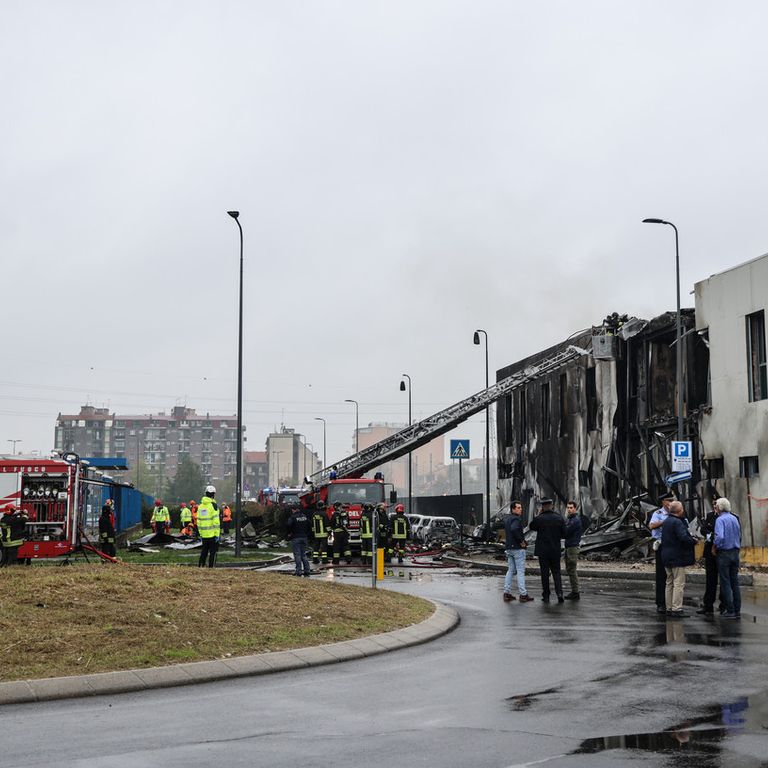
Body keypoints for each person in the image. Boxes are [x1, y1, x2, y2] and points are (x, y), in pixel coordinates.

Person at [660, 500, 697, 618]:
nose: (683, 510)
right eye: (682, 509)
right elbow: (683, 537)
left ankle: (669, 607)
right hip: (677, 556)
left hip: (666, 555)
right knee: (678, 583)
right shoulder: (677, 522)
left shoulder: (666, 521)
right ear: (679, 511)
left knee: (669, 582)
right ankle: (677, 608)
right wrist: (693, 541)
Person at [529, 498, 566, 603]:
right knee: (556, 572)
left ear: (542, 507)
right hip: (555, 550)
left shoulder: (540, 519)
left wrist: (539, 515)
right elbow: (564, 533)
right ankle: (560, 593)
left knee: (544, 574)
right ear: (552, 506)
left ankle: (546, 595)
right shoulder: (559, 518)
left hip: (543, 551)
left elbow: (532, 526)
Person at [713, 497, 741, 619]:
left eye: (716, 506)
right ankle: (737, 609)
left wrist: (715, 546)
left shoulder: (720, 520)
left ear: (719, 507)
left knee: (725, 582)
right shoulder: (734, 518)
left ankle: (730, 610)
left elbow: (720, 537)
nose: (715, 508)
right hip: (735, 552)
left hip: (724, 553)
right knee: (735, 582)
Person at [502, 500, 533, 603]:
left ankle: (506, 593)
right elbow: (515, 529)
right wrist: (522, 542)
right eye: (518, 508)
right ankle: (523, 594)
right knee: (520, 571)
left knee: (510, 570)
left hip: (509, 548)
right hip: (517, 548)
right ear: (513, 509)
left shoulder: (507, 519)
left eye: (520, 507)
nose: (521, 509)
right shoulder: (516, 519)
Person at [649, 492, 674, 614]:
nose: (670, 502)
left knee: (673, 576)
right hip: (661, 545)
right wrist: (665, 522)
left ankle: (672, 603)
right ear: (663, 502)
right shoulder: (658, 514)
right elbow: (652, 526)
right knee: (661, 576)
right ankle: (661, 603)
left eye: (671, 500)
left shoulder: (676, 512)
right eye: (668, 500)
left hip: (673, 547)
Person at [697, 495, 721, 615]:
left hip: (721, 552)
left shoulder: (728, 516)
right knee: (710, 580)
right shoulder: (710, 515)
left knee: (724, 579)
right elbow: (703, 528)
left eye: (716, 503)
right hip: (710, 552)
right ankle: (708, 605)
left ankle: (724, 604)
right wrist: (708, 534)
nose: (714, 506)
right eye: (713, 504)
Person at [197, 485, 220, 568]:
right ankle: (210, 567)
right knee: (212, 552)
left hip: (204, 534)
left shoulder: (200, 506)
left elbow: (198, 521)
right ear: (213, 494)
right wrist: (217, 534)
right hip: (212, 534)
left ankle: (201, 565)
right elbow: (216, 522)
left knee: (204, 551)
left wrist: (200, 533)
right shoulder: (213, 505)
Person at [563, 500, 582, 600]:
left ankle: (575, 592)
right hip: (569, 547)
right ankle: (574, 591)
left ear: (575, 508)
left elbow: (566, 532)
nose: (569, 510)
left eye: (571, 508)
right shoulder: (570, 519)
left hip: (572, 548)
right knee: (570, 570)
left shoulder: (575, 520)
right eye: (568, 508)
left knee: (572, 570)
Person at [286, 505, 312, 576]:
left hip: (296, 537)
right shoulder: (304, 516)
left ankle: (298, 571)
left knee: (297, 555)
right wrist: (307, 533)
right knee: (303, 554)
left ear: (293, 510)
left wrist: (289, 533)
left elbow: (288, 525)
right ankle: (307, 570)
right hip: (304, 537)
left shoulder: (293, 517)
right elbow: (310, 525)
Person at [311, 500, 330, 565]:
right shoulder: (324, 514)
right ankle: (324, 560)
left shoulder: (314, 514)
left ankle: (315, 559)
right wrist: (329, 532)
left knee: (316, 547)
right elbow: (327, 524)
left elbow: (312, 525)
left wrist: (313, 532)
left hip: (316, 534)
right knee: (324, 547)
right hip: (323, 534)